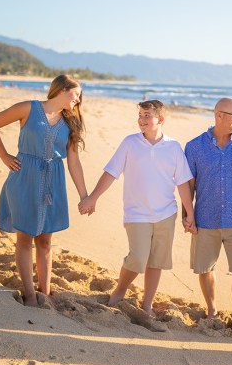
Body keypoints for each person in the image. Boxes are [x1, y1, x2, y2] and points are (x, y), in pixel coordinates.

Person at [78, 100, 195, 316]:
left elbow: (183, 184)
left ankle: (147, 304)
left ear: (161, 119)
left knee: (156, 261)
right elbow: (111, 172)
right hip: (137, 214)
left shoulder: (174, 147)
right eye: (140, 115)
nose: (142, 120)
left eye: (147, 115)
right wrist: (93, 198)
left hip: (166, 214)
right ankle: (120, 290)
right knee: (138, 257)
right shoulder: (130, 143)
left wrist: (190, 215)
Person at [0, 74, 88, 307]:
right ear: (61, 90)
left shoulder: (71, 123)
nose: (78, 100)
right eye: (76, 94)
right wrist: (4, 156)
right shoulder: (27, 108)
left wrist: (84, 195)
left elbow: (74, 162)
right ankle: (30, 295)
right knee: (25, 238)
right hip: (24, 178)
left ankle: (45, 290)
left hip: (53, 182)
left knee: (45, 241)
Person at [184, 97, 232, 334]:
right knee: (205, 268)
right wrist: (188, 215)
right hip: (205, 218)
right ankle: (212, 309)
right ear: (219, 115)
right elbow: (189, 184)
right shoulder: (194, 146)